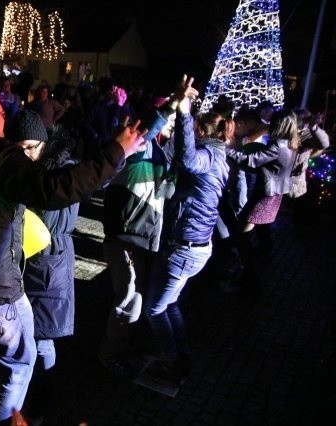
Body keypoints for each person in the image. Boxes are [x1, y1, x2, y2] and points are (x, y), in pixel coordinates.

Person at [0, 85, 146, 424]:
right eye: (0, 114)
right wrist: (115, 151)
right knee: (18, 364)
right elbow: (55, 188)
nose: (5, 121)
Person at [143, 75, 229, 386]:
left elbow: (186, 158)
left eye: (194, 127)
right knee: (170, 303)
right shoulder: (219, 155)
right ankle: (182, 353)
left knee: (154, 309)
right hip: (195, 245)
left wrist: (182, 112)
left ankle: (171, 363)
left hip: (185, 247)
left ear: (201, 130)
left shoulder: (206, 156)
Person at [98, 96, 179, 377]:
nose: (173, 124)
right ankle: (109, 355)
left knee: (136, 298)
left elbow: (164, 191)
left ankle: (121, 347)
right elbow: (148, 127)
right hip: (125, 236)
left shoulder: (159, 150)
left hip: (142, 236)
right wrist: (170, 106)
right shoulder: (140, 146)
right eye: (170, 120)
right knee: (129, 300)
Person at [8, 111, 80, 421]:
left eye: (30, 147)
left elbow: (55, 221)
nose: (25, 154)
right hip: (26, 262)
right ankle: (30, 394)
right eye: (18, 148)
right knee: (25, 334)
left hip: (49, 264)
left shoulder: (62, 173)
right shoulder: (21, 168)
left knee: (42, 338)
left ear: (44, 144)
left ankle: (45, 396)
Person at [225, 109, 299, 288]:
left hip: (264, 196)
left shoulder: (278, 146)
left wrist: (226, 150)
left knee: (241, 234)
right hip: (274, 195)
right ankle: (248, 271)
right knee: (244, 232)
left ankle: (249, 275)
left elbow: (251, 161)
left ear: (279, 125)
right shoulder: (291, 144)